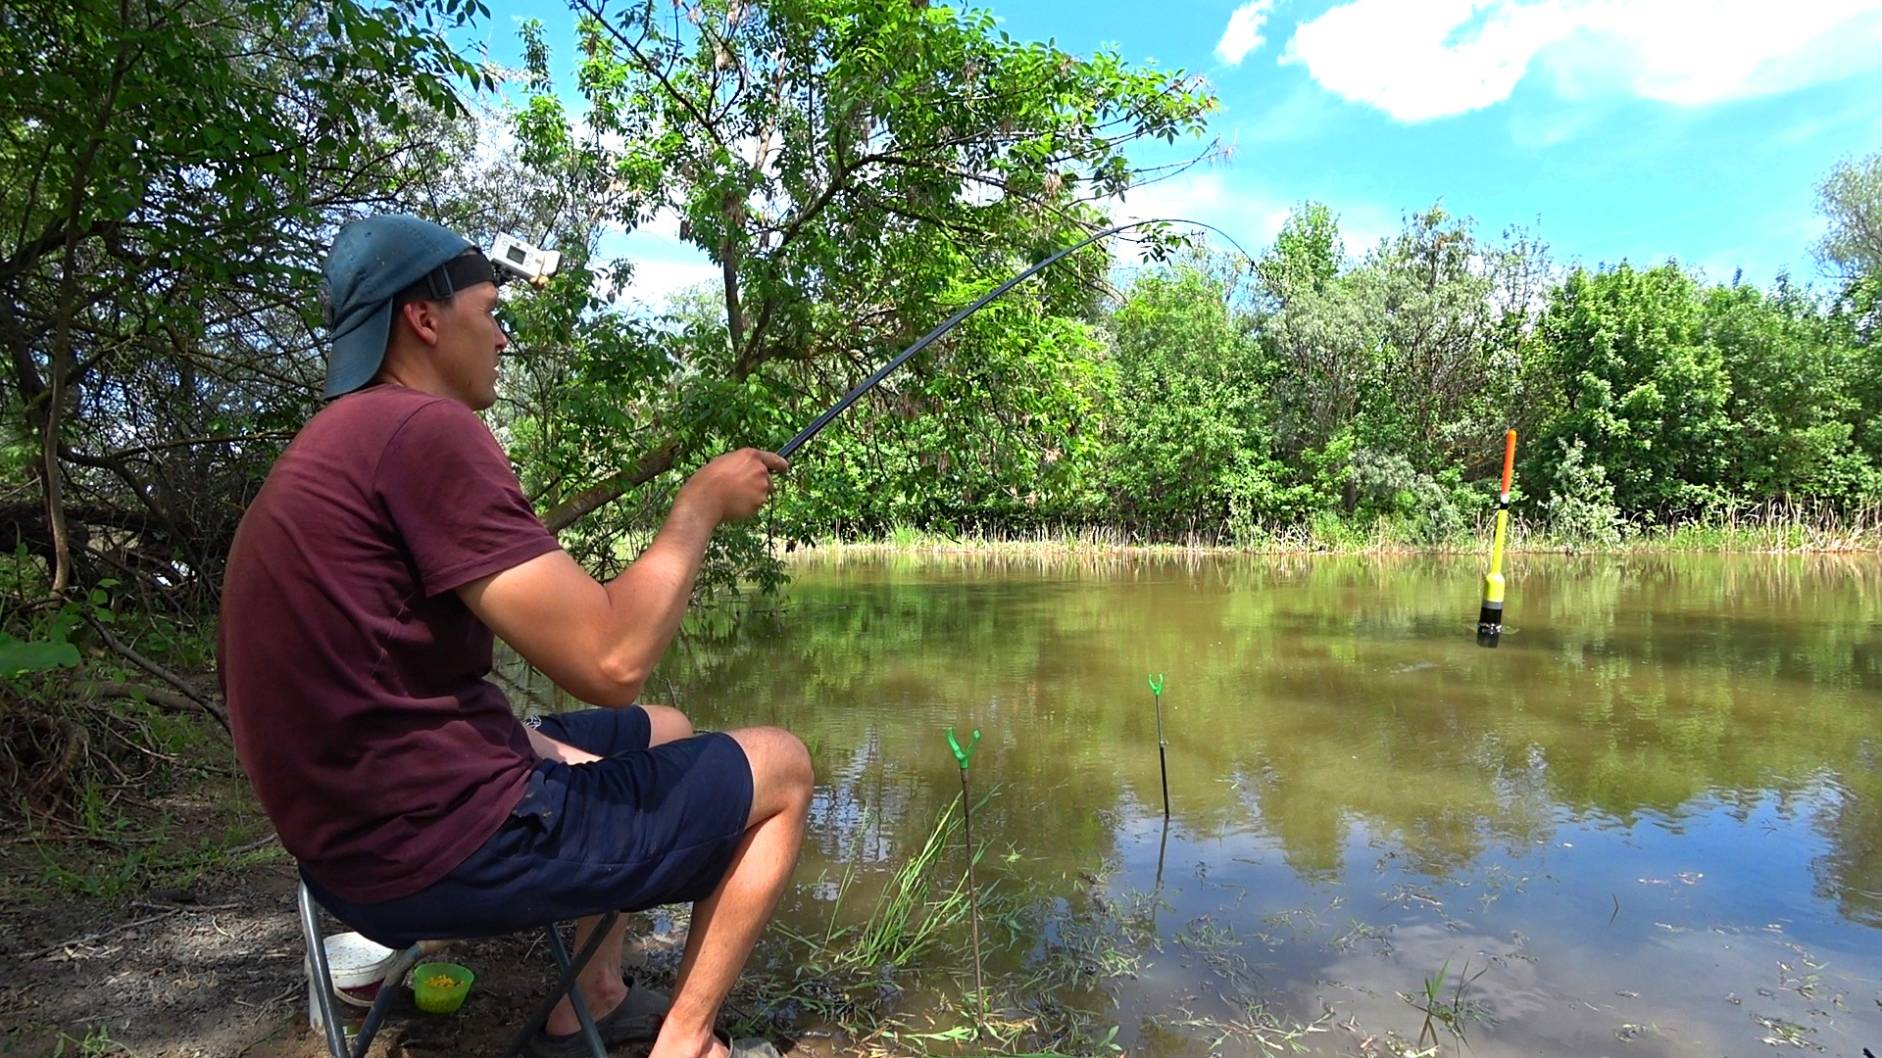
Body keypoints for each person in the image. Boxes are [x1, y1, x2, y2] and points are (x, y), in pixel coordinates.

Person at [218, 214, 806, 1058]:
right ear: (424, 319)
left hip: (343, 848)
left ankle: (593, 1001)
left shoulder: (332, 445)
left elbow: (386, 689)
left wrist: (523, 742)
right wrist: (699, 506)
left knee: (667, 731)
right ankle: (685, 1042)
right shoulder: (425, 431)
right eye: (489, 311)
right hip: (431, 852)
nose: (501, 336)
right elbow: (610, 661)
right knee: (780, 765)